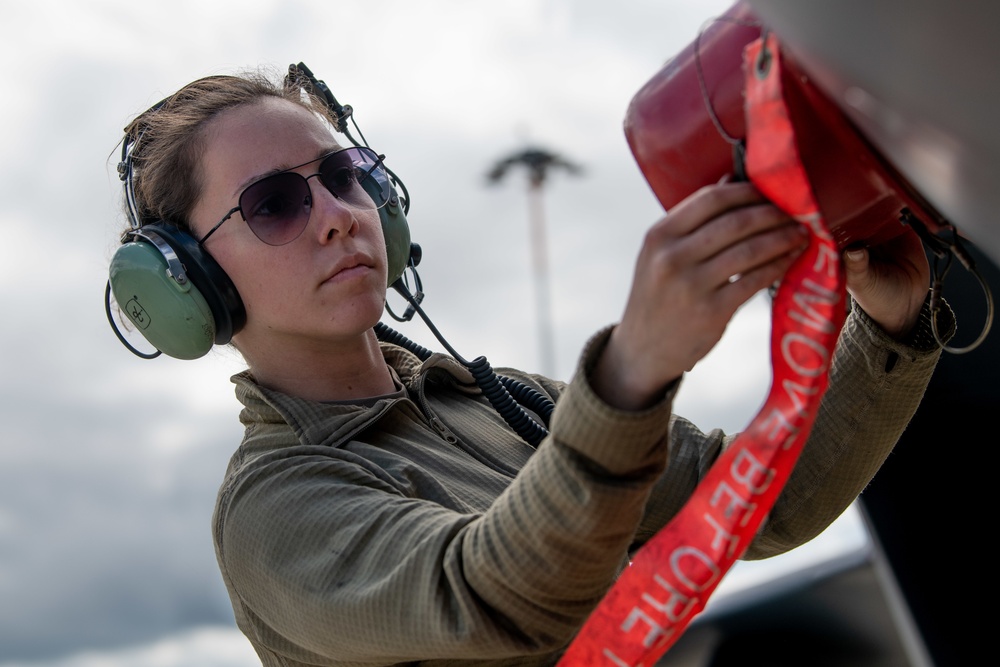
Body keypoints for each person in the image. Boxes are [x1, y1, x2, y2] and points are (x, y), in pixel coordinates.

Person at [109, 65, 953, 667]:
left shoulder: (502, 400)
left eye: (343, 176)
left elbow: (772, 503)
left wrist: (886, 321)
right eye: (275, 204)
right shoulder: (276, 507)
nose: (337, 216)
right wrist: (626, 376)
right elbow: (491, 594)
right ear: (195, 284)